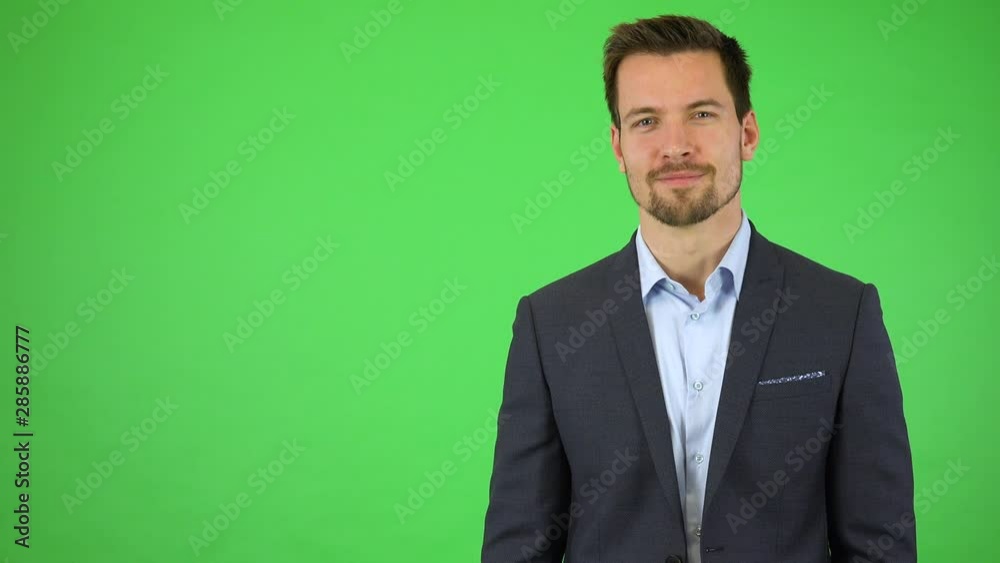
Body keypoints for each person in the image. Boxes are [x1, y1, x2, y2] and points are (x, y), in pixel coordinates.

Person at [481, 14, 916, 563]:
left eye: (702, 114)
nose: (675, 146)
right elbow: (519, 547)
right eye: (646, 121)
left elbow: (880, 546)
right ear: (618, 147)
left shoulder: (842, 314)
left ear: (747, 133)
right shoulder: (550, 325)